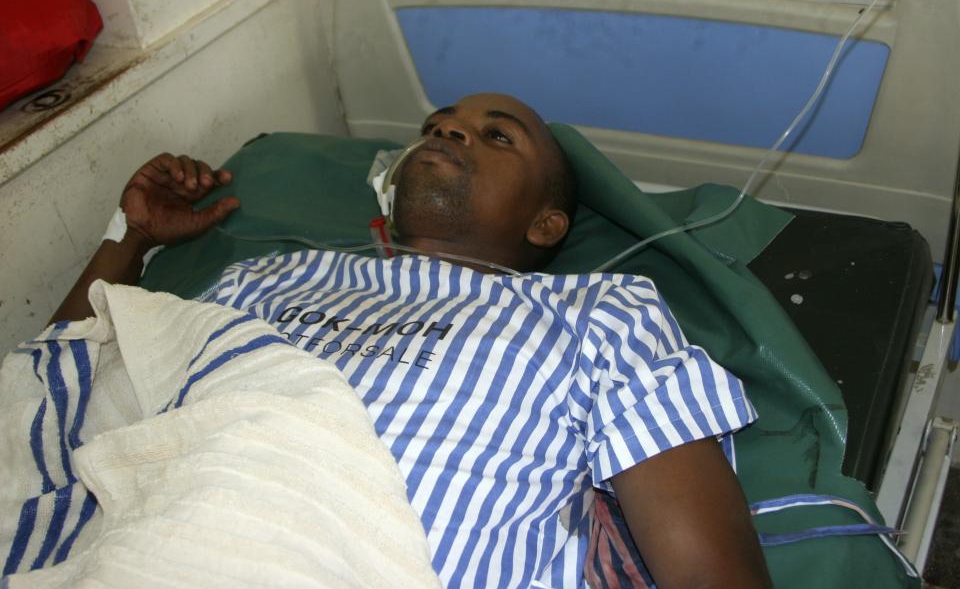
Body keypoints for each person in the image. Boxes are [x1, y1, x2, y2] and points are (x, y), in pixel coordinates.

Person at [50, 93, 773, 589]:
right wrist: (132, 236)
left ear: (547, 224)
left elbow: (710, 574)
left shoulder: (597, 312)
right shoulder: (264, 279)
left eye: (497, 136)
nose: (447, 133)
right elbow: (58, 386)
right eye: (437, 124)